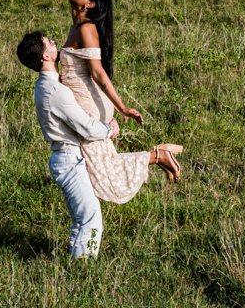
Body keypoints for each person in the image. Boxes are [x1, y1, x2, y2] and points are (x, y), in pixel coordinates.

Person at [16, 30, 178, 260]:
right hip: (69, 160)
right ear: (45, 56)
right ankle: (81, 267)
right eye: (49, 43)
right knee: (88, 217)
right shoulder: (55, 91)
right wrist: (109, 129)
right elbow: (85, 127)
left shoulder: (48, 85)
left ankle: (157, 156)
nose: (54, 42)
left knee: (93, 204)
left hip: (72, 156)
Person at [60, 0, 182, 200]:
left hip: (87, 106)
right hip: (84, 102)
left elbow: (97, 73)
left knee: (102, 175)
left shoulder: (86, 28)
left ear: (90, 4)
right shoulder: (78, 26)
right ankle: (156, 156)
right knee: (100, 167)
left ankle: (158, 156)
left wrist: (122, 107)